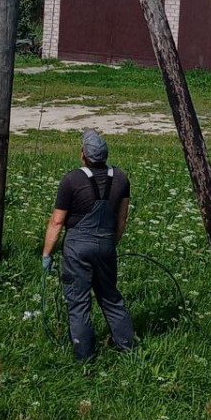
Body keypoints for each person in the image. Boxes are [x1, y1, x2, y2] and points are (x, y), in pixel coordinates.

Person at [41, 129, 136, 361]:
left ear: (83, 154)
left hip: (77, 247)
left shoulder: (72, 180)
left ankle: (84, 356)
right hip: (106, 243)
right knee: (110, 297)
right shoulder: (121, 178)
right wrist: (112, 242)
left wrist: (47, 254)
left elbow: (57, 221)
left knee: (78, 301)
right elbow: (122, 218)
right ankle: (128, 349)